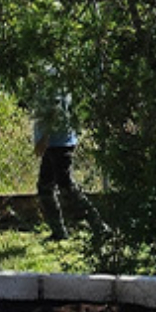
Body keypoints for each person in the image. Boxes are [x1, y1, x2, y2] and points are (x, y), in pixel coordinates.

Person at [30, 85, 99, 243]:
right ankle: (59, 232)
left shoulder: (51, 76)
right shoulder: (42, 75)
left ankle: (98, 226)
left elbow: (56, 110)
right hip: (53, 143)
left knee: (66, 185)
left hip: (59, 142)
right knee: (45, 187)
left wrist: (44, 137)